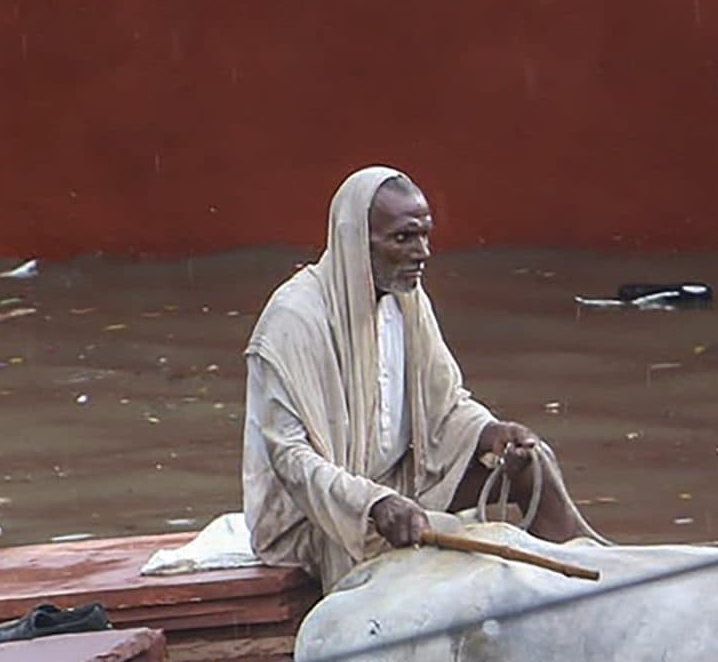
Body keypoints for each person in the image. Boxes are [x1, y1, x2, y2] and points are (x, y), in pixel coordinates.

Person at [241, 165, 601, 590]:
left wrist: (490, 433)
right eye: (403, 238)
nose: (423, 251)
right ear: (355, 241)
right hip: (311, 516)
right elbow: (291, 459)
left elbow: (446, 403)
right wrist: (373, 504)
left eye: (425, 235)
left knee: (532, 465)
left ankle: (591, 583)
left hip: (398, 488)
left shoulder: (407, 300)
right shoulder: (294, 319)